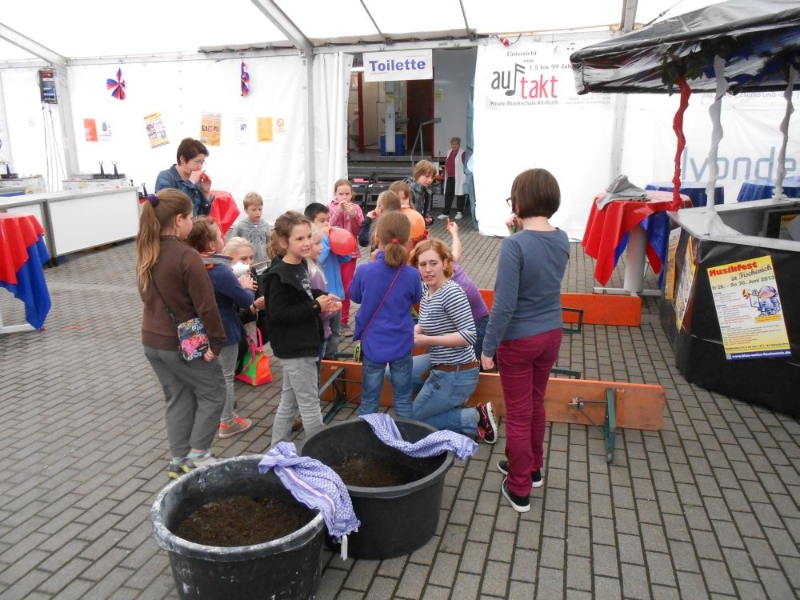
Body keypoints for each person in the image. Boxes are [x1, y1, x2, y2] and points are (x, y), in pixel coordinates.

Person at [480, 168, 570, 514]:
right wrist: (517, 232)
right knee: (535, 404)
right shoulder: (561, 238)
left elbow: (504, 305)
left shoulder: (514, 246)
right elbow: (539, 264)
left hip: (519, 339)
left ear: (520, 201)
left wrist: (488, 348)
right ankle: (532, 469)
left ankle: (519, 489)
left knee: (517, 415)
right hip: (552, 334)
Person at [135, 189, 227, 479]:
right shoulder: (188, 256)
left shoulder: (147, 250)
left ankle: (179, 460)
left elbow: (146, 297)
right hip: (183, 343)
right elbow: (206, 307)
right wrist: (217, 342)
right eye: (189, 217)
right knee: (214, 393)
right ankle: (199, 454)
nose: (191, 223)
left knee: (178, 397)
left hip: (152, 340)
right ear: (178, 220)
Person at [408, 238, 497, 444]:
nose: (428, 270)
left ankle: (474, 417)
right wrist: (416, 329)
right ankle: (440, 402)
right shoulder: (427, 289)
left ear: (445, 263)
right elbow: (426, 322)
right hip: (439, 362)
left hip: (458, 372)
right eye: (423, 264)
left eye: (433, 263)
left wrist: (426, 339)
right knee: (394, 371)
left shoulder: (451, 292)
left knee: (412, 420)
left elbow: (469, 335)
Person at [263, 211, 340, 446]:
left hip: (303, 343)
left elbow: (304, 293)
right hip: (296, 347)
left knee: (289, 401)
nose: (307, 243)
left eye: (308, 237)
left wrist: (323, 296)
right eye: (300, 239)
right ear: (283, 242)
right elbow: (278, 313)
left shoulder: (300, 265)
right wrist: (316, 306)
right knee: (309, 404)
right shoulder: (278, 275)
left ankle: (278, 448)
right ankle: (320, 451)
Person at [186, 218, 257, 440]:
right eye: (219, 235)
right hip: (224, 329)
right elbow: (244, 300)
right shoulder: (219, 270)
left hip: (198, 329)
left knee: (209, 377)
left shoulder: (190, 265)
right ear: (211, 244)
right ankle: (227, 422)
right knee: (226, 376)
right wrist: (247, 288)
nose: (222, 237)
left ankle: (215, 416)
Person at [350, 211, 422, 418]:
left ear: (376, 237)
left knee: (369, 399)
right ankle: (404, 436)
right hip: (402, 342)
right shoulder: (412, 274)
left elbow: (355, 296)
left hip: (373, 342)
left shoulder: (365, 271)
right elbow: (416, 297)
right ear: (407, 240)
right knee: (403, 399)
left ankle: (367, 434)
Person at [304, 202, 351, 358]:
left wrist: (341, 242)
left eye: (328, 220)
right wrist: (325, 240)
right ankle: (324, 359)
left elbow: (346, 258)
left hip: (336, 295)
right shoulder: (316, 247)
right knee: (325, 331)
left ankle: (332, 357)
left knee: (335, 332)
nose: (326, 224)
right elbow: (320, 260)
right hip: (324, 298)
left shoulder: (327, 243)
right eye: (322, 221)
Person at [446, 220, 490, 362]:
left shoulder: (449, 285)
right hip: (477, 321)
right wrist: (454, 233)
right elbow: (457, 250)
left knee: (472, 362)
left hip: (476, 325)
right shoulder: (449, 264)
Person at [328, 179, 363, 337]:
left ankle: (344, 321)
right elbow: (327, 226)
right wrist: (339, 212)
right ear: (335, 194)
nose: (344, 197)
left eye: (347, 194)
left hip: (350, 253)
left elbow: (359, 230)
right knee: (332, 285)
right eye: (340, 194)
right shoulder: (329, 207)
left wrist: (353, 215)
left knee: (346, 287)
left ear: (351, 194)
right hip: (332, 254)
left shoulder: (356, 208)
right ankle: (330, 318)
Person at [155, 138, 213, 217]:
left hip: (195, 224)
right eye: (197, 162)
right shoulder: (165, 178)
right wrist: (191, 182)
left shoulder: (195, 178)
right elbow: (170, 210)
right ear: (182, 159)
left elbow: (203, 215)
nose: (200, 167)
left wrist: (205, 192)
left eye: (202, 162)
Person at [228, 192, 270, 263]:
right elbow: (232, 246)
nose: (258, 212)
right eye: (254, 210)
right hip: (246, 263)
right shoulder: (240, 226)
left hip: (263, 263)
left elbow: (269, 245)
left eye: (260, 209)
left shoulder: (265, 225)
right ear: (246, 210)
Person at [439, 137, 467, 221]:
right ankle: (445, 213)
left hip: (459, 177)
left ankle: (460, 212)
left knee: (460, 195)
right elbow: (447, 164)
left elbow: (465, 165)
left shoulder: (462, 153)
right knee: (448, 195)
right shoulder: (449, 152)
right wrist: (443, 172)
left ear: (459, 144)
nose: (454, 145)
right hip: (450, 177)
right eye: (453, 144)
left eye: (456, 144)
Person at [405, 160, 437, 226]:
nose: (430, 180)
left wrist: (426, 219)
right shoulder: (408, 191)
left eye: (432, 177)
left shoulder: (425, 191)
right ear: (417, 174)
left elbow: (421, 213)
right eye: (427, 176)